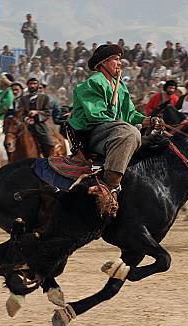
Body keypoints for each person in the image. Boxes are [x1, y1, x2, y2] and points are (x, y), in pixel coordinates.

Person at [68, 44, 155, 212]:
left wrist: (149, 121)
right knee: (129, 132)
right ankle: (109, 187)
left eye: (119, 59)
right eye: (116, 59)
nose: (119, 63)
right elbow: (96, 115)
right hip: (93, 132)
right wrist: (122, 123)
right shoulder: (93, 82)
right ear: (104, 62)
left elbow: (130, 114)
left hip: (114, 130)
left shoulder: (120, 86)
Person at [18, 77, 56, 157]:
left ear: (38, 85)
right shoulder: (23, 99)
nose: (32, 86)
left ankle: (50, 160)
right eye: (30, 84)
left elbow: (48, 112)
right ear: (27, 85)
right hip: (26, 125)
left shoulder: (44, 98)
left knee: (49, 142)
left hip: (40, 124)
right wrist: (25, 118)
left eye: (34, 84)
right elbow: (20, 112)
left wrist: (37, 113)